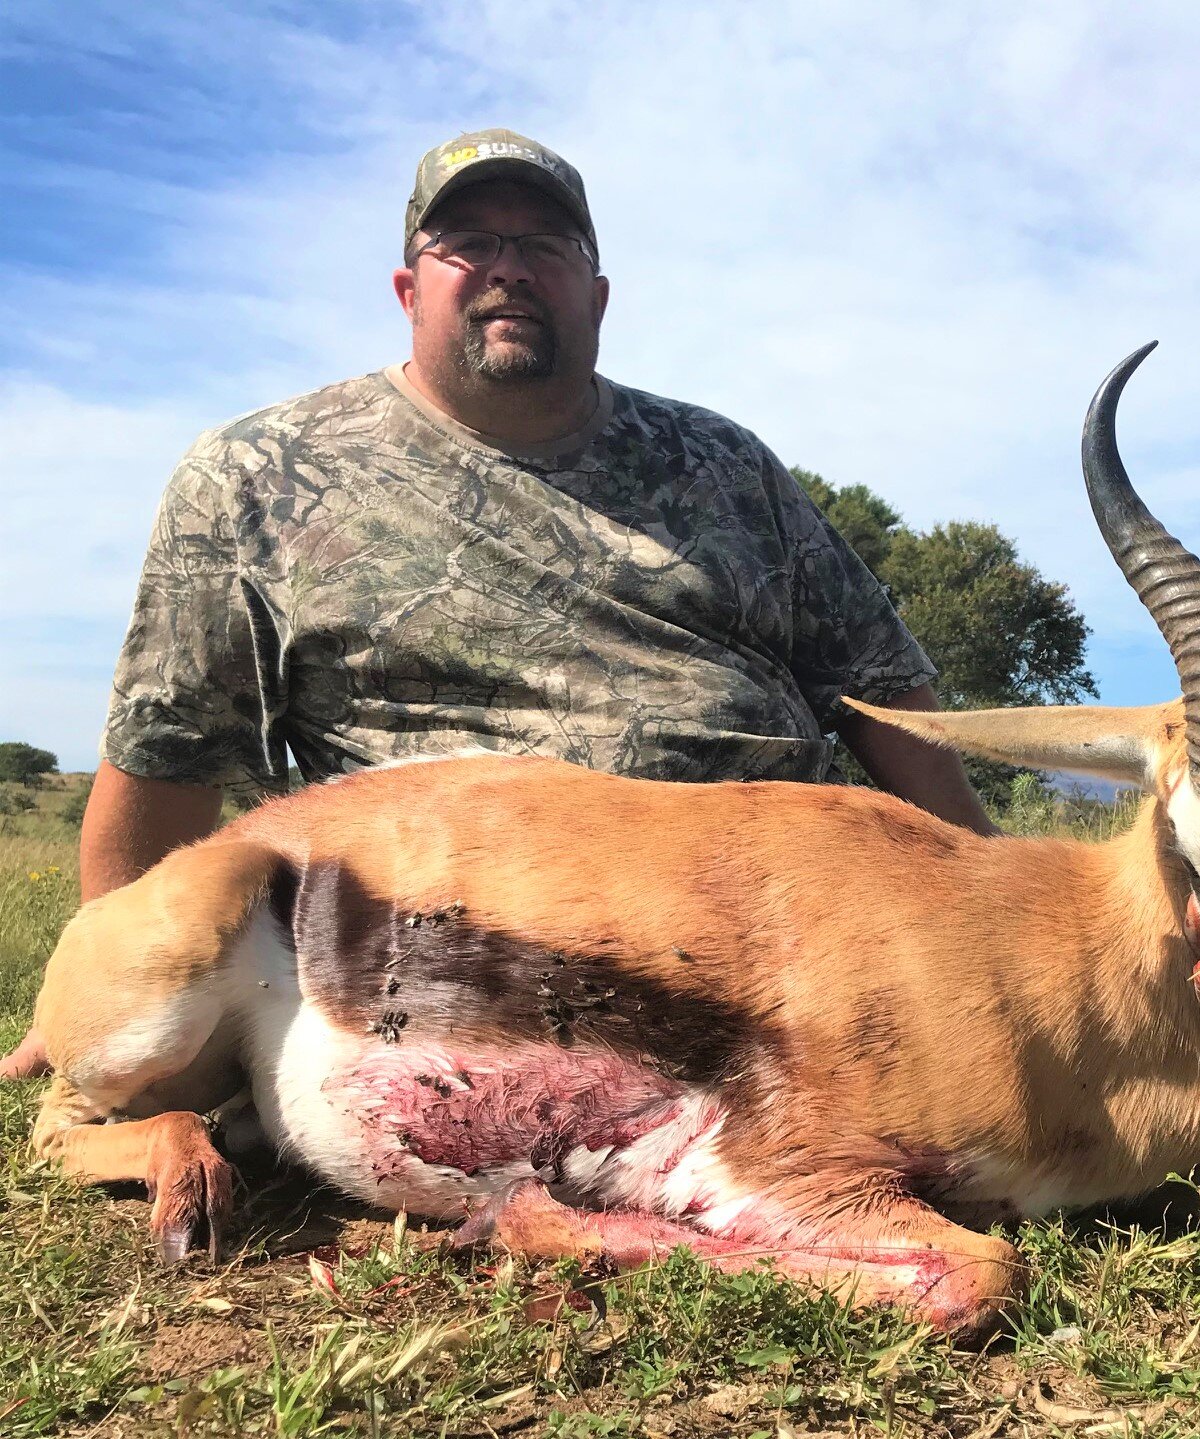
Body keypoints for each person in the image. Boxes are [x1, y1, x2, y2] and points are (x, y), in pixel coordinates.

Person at [1, 129, 994, 1079]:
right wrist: (106, 991)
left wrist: (987, 897)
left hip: (783, 938)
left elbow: (884, 694)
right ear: (407, 288)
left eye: (544, 244)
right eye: (466, 242)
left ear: (597, 294)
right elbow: (165, 754)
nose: (507, 267)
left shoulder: (725, 464)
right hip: (463, 955)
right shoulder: (255, 477)